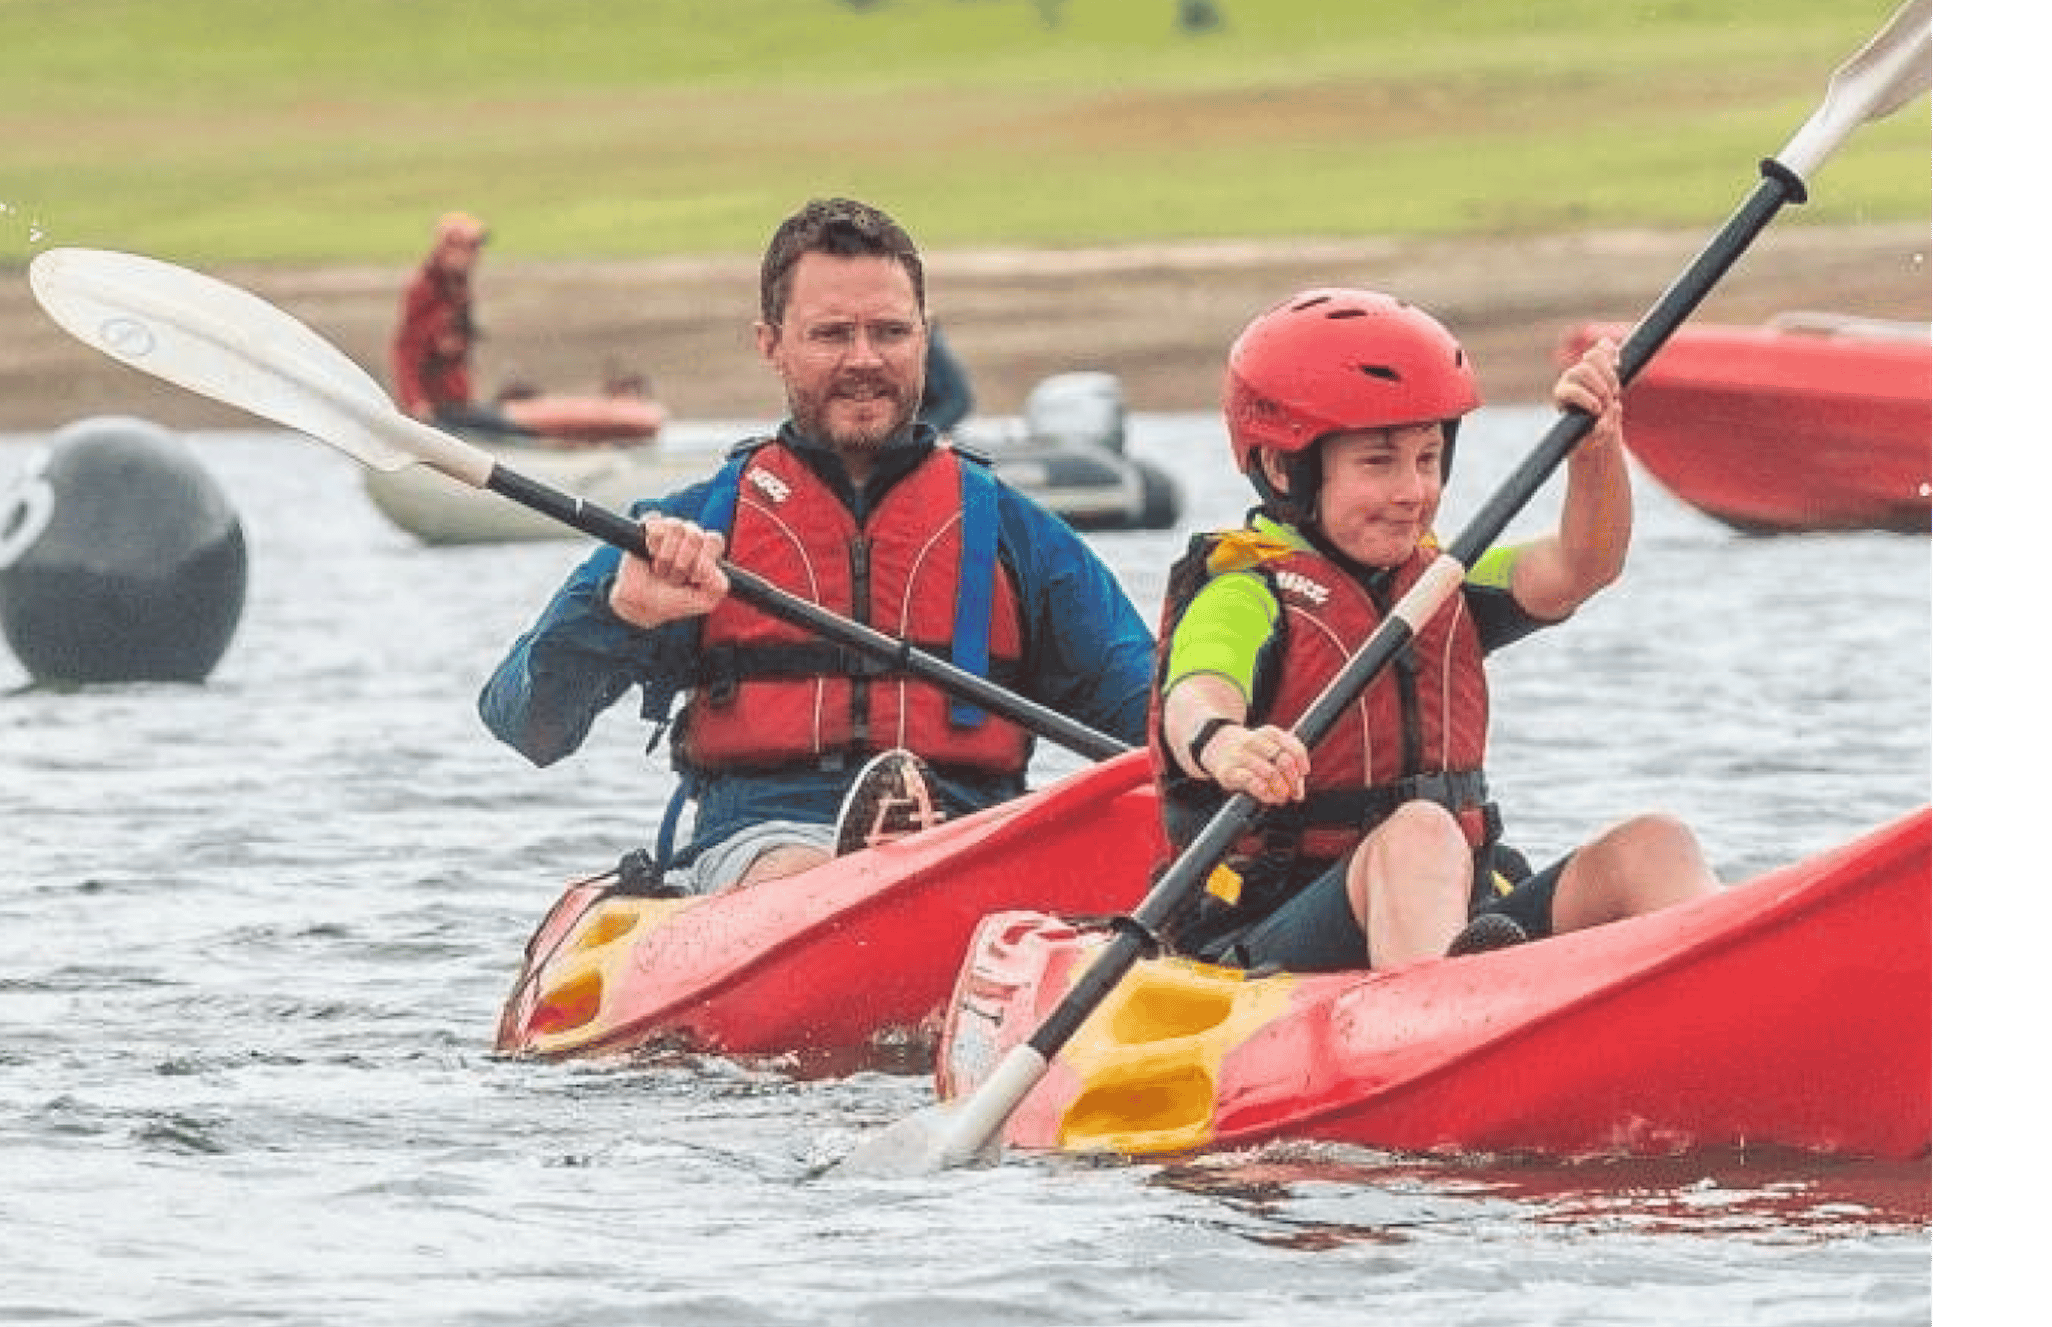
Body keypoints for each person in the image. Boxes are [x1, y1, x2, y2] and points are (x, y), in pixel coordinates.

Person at [477, 196, 1157, 890]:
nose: (864, 360)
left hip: (975, 842)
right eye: (832, 335)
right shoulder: (691, 532)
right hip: (764, 848)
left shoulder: (1020, 538)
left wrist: (1226, 739)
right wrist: (616, 615)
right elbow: (523, 722)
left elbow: (1155, 720)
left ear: (924, 336)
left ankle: (910, 865)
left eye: (890, 332)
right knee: (796, 868)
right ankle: (863, 878)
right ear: (770, 344)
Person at [1153, 289, 1721, 970]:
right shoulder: (1246, 588)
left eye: (1427, 459)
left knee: (1654, 845)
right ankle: (1448, 1027)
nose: (1412, 491)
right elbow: (1196, 695)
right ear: (1283, 467)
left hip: (1459, 916)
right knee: (1420, 831)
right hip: (1273, 935)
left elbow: (1580, 566)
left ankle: (1734, 993)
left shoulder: (1441, 580)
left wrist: (1596, 449)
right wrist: (1227, 746)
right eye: (1378, 462)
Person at [392, 211, 494, 425]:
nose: (477, 255)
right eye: (470, 248)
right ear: (449, 250)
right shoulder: (425, 290)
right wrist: (416, 403)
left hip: (459, 399)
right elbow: (406, 350)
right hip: (438, 407)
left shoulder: (457, 286)